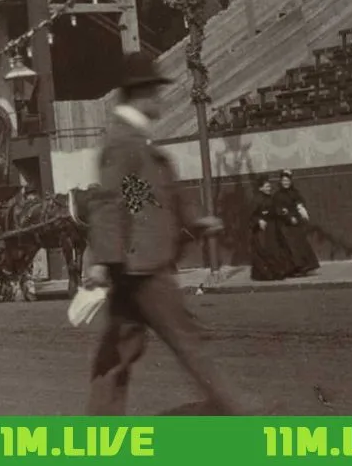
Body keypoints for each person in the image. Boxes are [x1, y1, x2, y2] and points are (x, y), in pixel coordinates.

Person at [84, 53, 240, 416]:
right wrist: (104, 260)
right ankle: (239, 409)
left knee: (117, 353)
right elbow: (108, 202)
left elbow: (139, 198)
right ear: (142, 94)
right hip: (143, 267)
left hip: (134, 264)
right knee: (188, 340)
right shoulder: (124, 143)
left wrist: (194, 221)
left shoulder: (133, 141)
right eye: (156, 91)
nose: (161, 100)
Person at [247, 175, 295, 282]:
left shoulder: (269, 198)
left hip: (272, 228)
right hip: (262, 231)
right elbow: (251, 215)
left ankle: (276, 273)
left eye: (269, 186)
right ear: (260, 188)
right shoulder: (257, 199)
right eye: (267, 186)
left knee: (275, 249)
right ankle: (267, 275)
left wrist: (282, 212)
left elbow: (274, 209)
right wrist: (259, 220)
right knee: (265, 250)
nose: (269, 188)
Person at [272, 170, 320, 276]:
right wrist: (288, 217)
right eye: (284, 181)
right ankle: (293, 269)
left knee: (300, 244)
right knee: (290, 246)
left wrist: (301, 208)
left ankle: (305, 267)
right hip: (284, 225)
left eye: (287, 180)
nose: (286, 183)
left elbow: (299, 202)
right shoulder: (277, 195)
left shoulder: (295, 192)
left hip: (296, 223)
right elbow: (278, 209)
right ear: (280, 181)